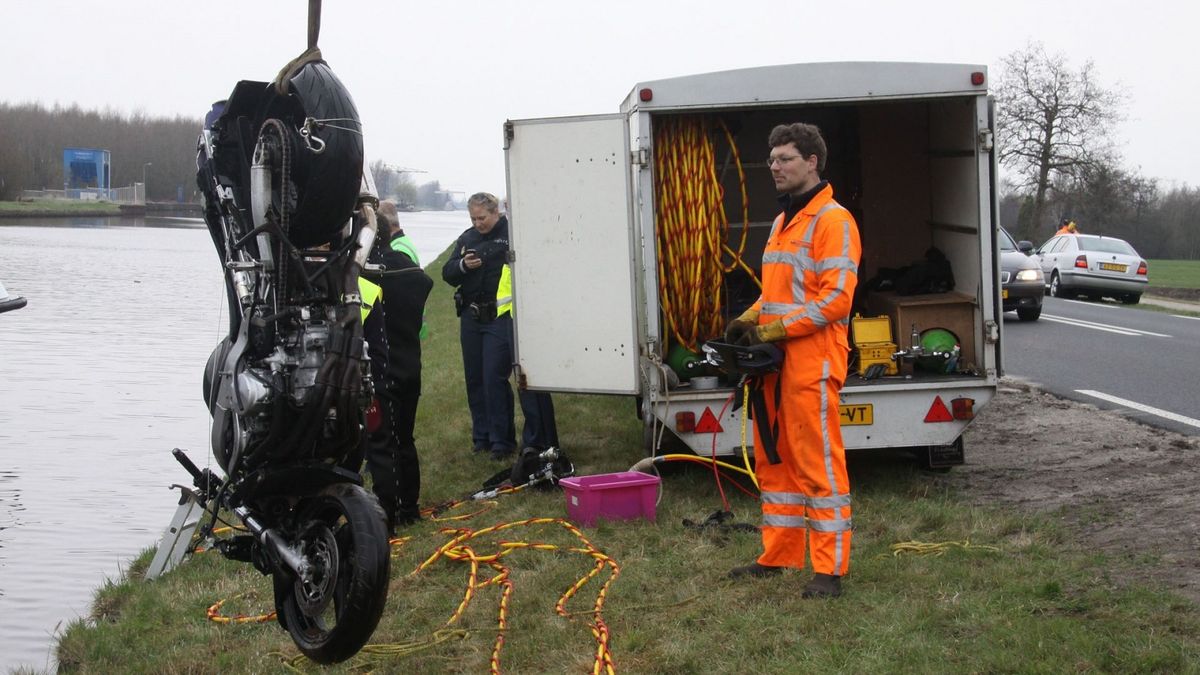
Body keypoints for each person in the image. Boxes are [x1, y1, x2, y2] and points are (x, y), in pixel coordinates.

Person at [723, 123, 861, 598]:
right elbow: (778, 294)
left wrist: (772, 330)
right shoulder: (785, 220)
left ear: (812, 162)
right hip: (777, 364)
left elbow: (836, 301)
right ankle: (778, 554)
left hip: (811, 364)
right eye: (772, 159)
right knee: (775, 463)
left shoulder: (834, 221)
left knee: (817, 465)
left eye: (785, 158)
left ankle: (829, 571)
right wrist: (748, 319)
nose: (774, 167)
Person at [363, 204, 433, 532]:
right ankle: (410, 507)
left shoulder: (364, 275)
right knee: (405, 439)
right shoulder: (411, 271)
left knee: (382, 444)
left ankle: (386, 517)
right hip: (409, 365)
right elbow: (425, 284)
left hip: (380, 371)